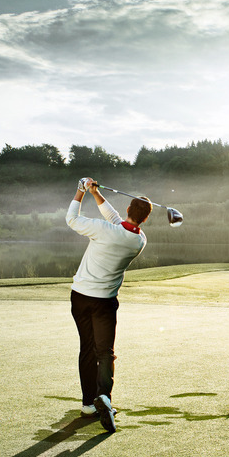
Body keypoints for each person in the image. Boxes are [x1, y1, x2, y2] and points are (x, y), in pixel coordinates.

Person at [66, 177, 152, 433]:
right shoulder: (139, 240)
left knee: (87, 350)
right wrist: (95, 194)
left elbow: (72, 219)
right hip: (104, 302)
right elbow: (116, 220)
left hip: (80, 297)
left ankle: (88, 405)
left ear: (128, 210)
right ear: (144, 219)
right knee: (105, 352)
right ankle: (104, 397)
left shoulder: (104, 230)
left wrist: (80, 191)